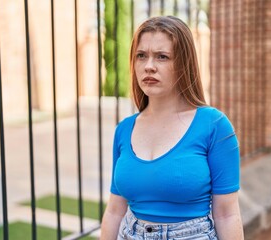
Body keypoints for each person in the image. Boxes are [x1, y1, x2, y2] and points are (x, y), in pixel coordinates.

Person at [100, 16, 244, 240]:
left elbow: (227, 215)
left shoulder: (213, 125)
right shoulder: (124, 130)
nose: (149, 66)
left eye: (162, 57)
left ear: (183, 64)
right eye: (141, 56)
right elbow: (114, 211)